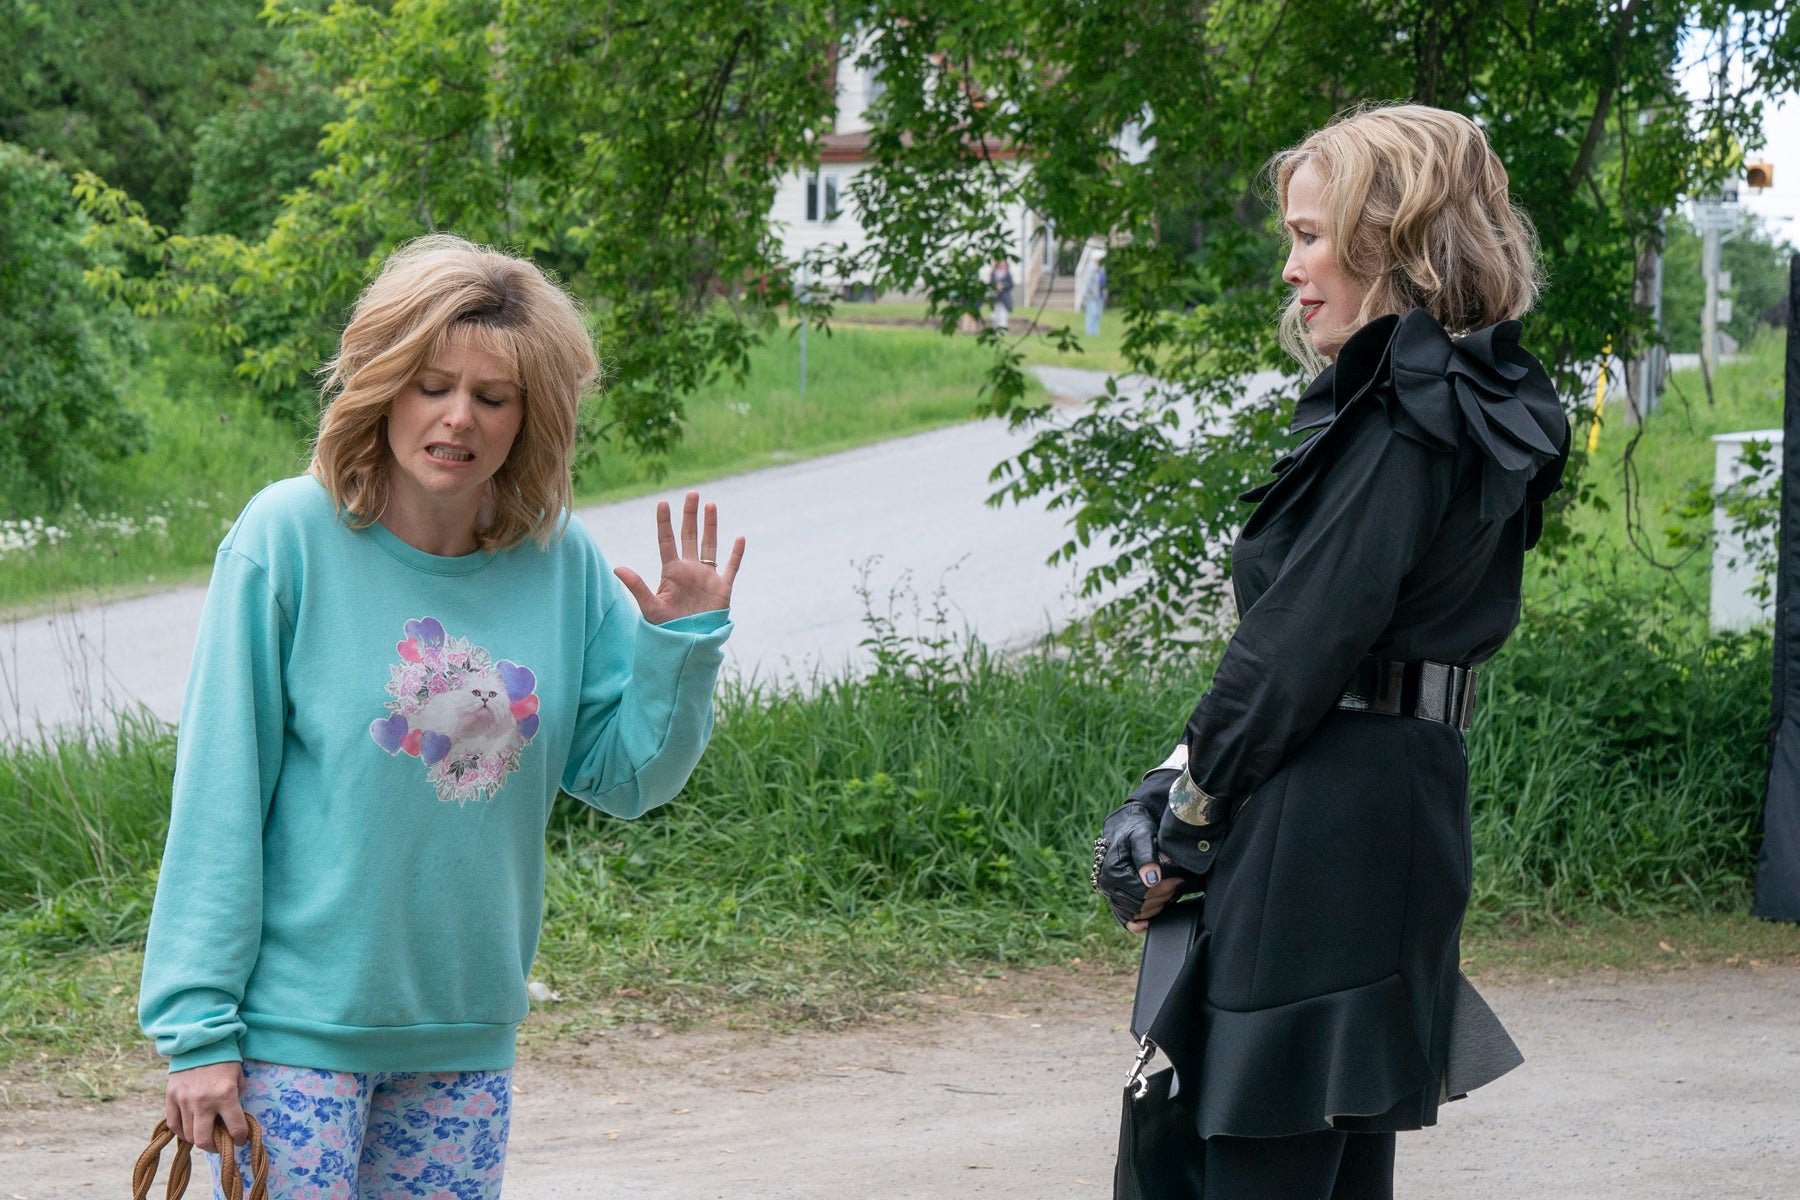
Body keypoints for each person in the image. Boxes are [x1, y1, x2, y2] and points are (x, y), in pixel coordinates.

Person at [138, 234, 745, 1199]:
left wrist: (681, 649)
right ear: (383, 386)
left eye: (492, 397)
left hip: (465, 1037)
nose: (457, 417)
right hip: (296, 1039)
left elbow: (628, 778)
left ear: (526, 418)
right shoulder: (283, 541)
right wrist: (198, 1030)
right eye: (430, 385)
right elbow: (218, 794)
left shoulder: (560, 563)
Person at [1092, 104, 1568, 1199]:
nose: (1294, 270)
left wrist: (1184, 815)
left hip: (1324, 823)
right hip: (1390, 803)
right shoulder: (1457, 396)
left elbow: (1299, 646)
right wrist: (1179, 775)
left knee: (1257, 1151)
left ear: (1389, 239)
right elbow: (1318, 641)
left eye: (1311, 237)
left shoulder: (1408, 407)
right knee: (1322, 1155)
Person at [1082, 259, 1106, 337]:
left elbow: (1104, 282)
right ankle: (1089, 332)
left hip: (1100, 296)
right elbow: (1087, 283)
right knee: (1092, 313)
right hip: (1092, 297)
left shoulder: (1102, 270)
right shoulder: (1091, 269)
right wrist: (1091, 293)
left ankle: (1095, 332)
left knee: (1097, 314)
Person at [991, 257, 1015, 333]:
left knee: (1003, 314)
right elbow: (991, 283)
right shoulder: (994, 273)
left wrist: (1003, 286)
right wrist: (996, 286)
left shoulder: (1007, 273)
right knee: (994, 314)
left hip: (1004, 297)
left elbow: (1011, 285)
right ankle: (996, 329)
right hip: (996, 297)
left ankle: (1002, 330)